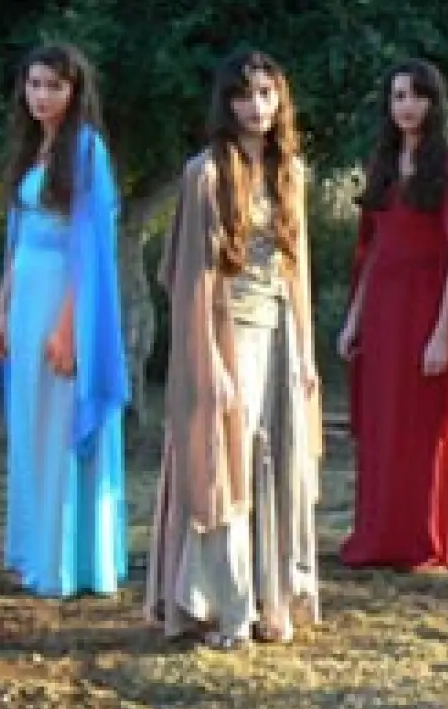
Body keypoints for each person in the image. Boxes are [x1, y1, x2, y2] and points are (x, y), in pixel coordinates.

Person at [146, 50, 322, 649]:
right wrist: (211, 363)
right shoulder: (205, 174)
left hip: (280, 332)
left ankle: (275, 601)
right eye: (244, 95)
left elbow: (297, 271)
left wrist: (305, 353)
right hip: (227, 332)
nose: (256, 107)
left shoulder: (291, 172)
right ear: (226, 103)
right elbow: (191, 278)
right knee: (225, 465)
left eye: (266, 94)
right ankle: (227, 607)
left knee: (282, 461)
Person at [0, 43, 129, 598]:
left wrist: (69, 328)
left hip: (65, 302)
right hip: (25, 299)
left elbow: (90, 251)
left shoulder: (88, 152)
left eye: (54, 86)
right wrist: (2, 310)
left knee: (62, 424)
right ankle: (33, 551)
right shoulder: (29, 149)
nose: (42, 96)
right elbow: (16, 240)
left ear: (74, 91)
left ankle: (69, 561)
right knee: (31, 425)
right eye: (34, 84)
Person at [339, 58, 448, 571]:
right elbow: (371, 252)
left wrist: (444, 334)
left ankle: (427, 536)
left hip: (427, 307)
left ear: (434, 102)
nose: (407, 106)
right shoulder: (381, 165)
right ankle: (381, 536)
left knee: (423, 423)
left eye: (417, 95)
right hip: (383, 311)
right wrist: (353, 320)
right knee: (384, 421)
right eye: (398, 96)